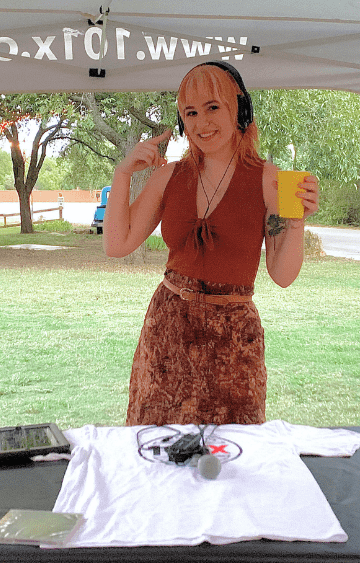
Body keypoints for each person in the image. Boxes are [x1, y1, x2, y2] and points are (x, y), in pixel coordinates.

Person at [103, 61, 320, 426]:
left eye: (212, 107)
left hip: (234, 342)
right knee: (157, 449)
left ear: (240, 109)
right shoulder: (169, 176)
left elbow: (282, 274)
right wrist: (122, 174)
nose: (201, 123)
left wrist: (296, 221)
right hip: (167, 333)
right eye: (190, 113)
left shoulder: (269, 179)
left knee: (234, 454)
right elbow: (117, 243)